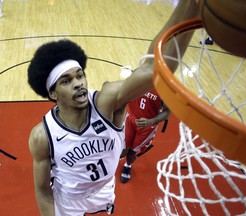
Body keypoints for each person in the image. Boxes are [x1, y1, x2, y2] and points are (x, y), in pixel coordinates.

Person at [27, 0, 199, 215]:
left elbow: (153, 68)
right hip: (69, 201)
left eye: (80, 75)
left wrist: (190, 6)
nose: (78, 83)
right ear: (52, 94)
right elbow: (43, 191)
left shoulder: (106, 103)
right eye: (66, 81)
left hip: (103, 192)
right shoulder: (42, 135)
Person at [120, 89, 170, 183]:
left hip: (147, 126)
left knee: (132, 152)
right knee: (122, 151)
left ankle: (127, 166)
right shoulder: (137, 76)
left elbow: (167, 112)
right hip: (130, 119)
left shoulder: (163, 87)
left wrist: (151, 121)